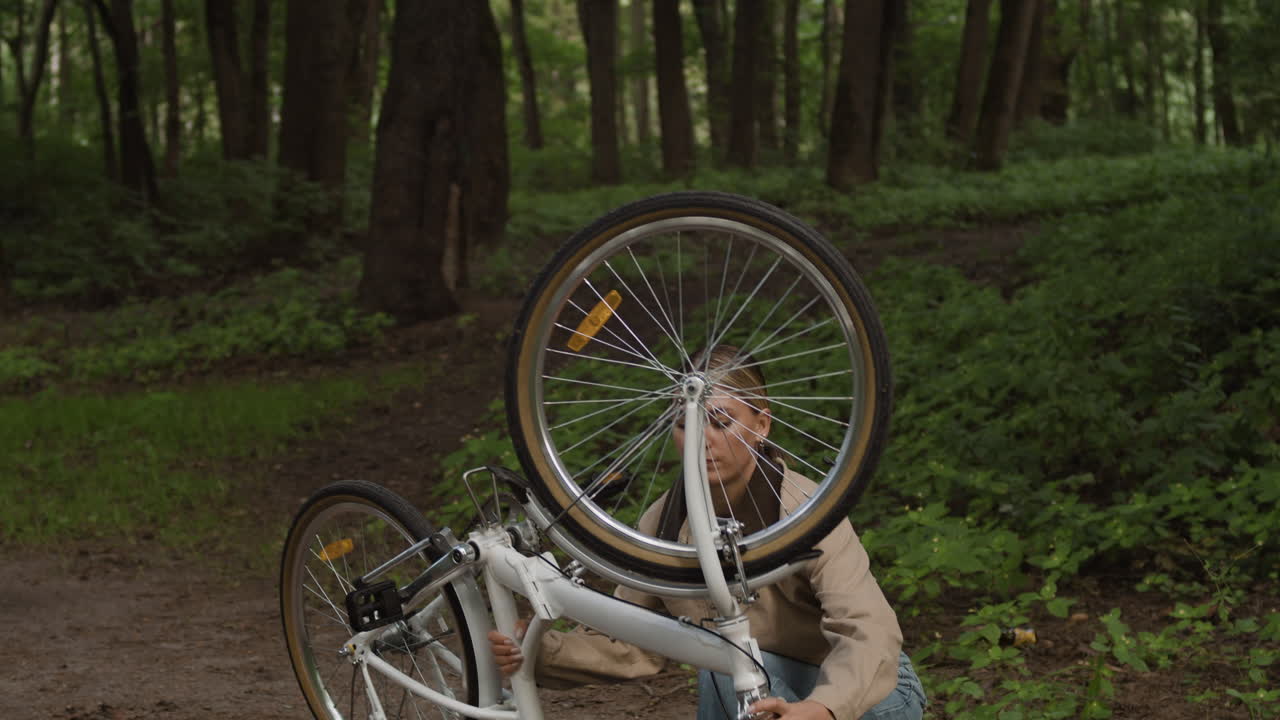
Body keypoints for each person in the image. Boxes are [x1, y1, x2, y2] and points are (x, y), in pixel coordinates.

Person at [488, 345, 927, 720]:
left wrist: (823, 708)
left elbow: (870, 631)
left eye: (721, 422)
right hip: (751, 679)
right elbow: (634, 645)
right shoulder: (663, 524)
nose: (702, 438)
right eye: (686, 424)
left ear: (762, 425)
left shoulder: (806, 510)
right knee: (725, 660)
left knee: (727, 661)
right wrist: (538, 650)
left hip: (865, 696)